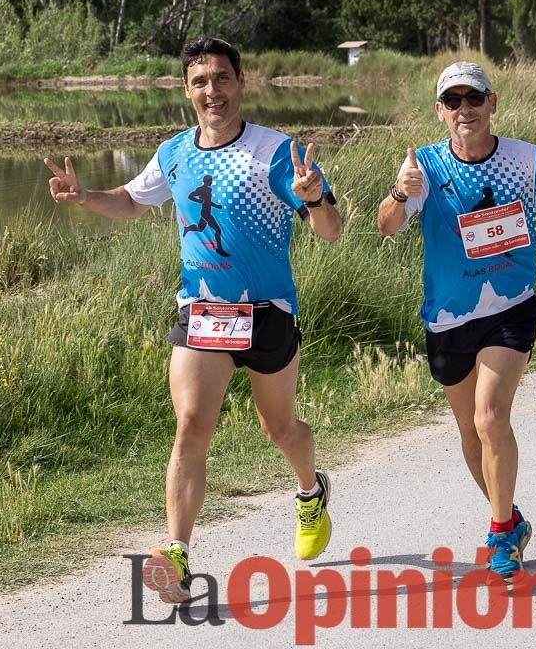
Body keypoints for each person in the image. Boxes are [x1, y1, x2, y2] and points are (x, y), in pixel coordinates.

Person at [44, 37, 342, 604]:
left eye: (223, 79)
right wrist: (85, 196)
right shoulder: (176, 152)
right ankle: (177, 555)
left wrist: (314, 200)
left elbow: (331, 231)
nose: (213, 91)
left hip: (268, 313)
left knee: (280, 430)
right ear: (187, 89)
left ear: (242, 83)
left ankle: (310, 491)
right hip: (202, 313)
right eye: (201, 81)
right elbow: (133, 201)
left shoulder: (278, 154)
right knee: (190, 425)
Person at [376, 61, 536, 578]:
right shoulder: (426, 169)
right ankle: (512, 517)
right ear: (440, 111)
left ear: (491, 104)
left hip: (510, 308)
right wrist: (398, 192)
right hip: (449, 317)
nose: (464, 110)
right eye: (452, 101)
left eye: (473, 99)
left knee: (489, 416)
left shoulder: (527, 160)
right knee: (469, 432)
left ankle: (500, 534)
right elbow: (386, 227)